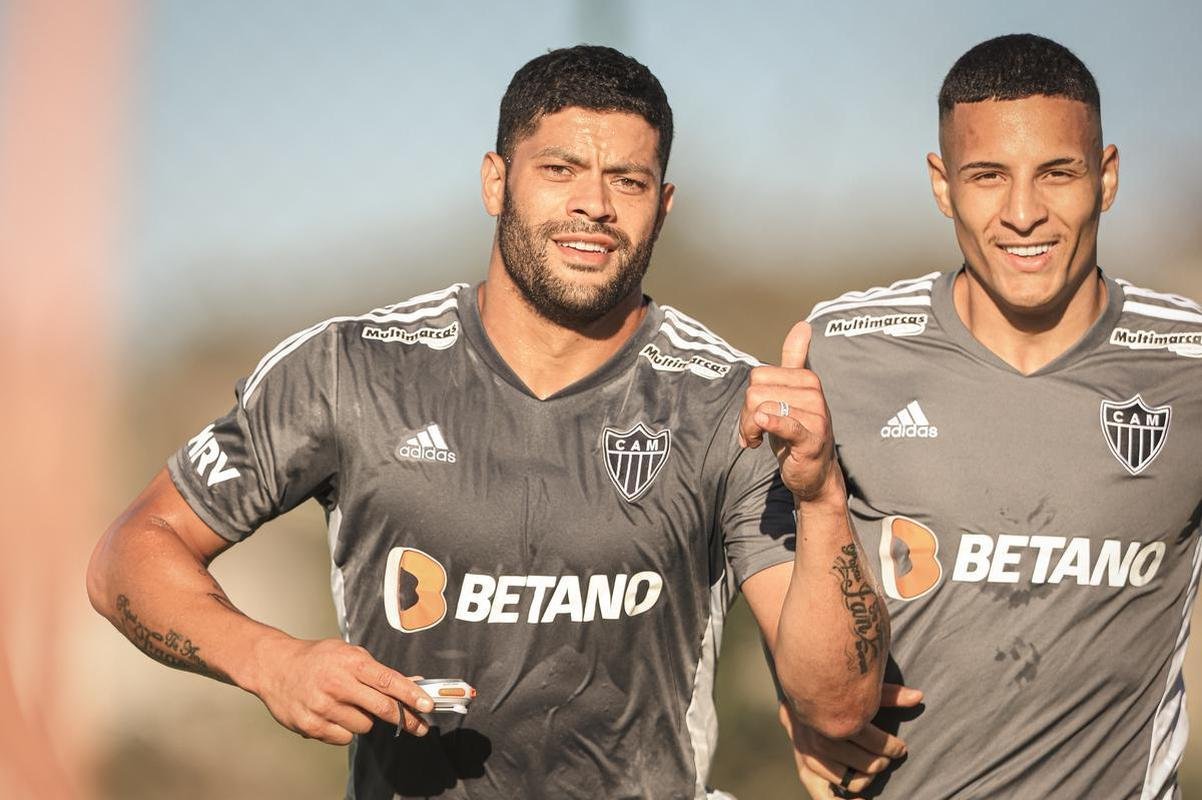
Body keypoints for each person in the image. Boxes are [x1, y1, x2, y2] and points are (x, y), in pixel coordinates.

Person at [86, 45, 887, 799]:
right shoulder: (350, 372)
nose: (594, 205)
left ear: (663, 205)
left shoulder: (729, 405)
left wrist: (821, 499)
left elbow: (837, 705)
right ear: (496, 182)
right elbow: (131, 554)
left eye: (629, 181)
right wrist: (272, 662)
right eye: (560, 170)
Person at [780, 33, 1202, 799]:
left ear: (1106, 177)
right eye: (988, 176)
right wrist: (803, 702)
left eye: (1057, 173)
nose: (1023, 214)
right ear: (943, 186)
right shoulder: (840, 353)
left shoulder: (1189, 365)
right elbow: (765, 566)